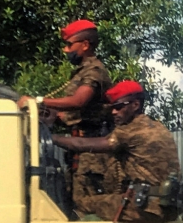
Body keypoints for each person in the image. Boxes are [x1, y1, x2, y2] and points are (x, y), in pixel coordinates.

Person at [50, 81, 183, 223]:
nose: (114, 112)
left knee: (82, 203)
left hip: (146, 208)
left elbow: (81, 144)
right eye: (113, 108)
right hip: (169, 206)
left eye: (119, 107)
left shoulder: (130, 131)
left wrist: (49, 136)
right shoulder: (158, 127)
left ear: (135, 105)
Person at [17, 19, 115, 205]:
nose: (66, 50)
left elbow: (79, 101)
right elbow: (75, 114)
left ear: (85, 45)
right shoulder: (81, 72)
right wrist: (51, 114)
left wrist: (38, 101)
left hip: (93, 154)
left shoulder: (94, 71)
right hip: (80, 149)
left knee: (88, 208)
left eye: (70, 45)